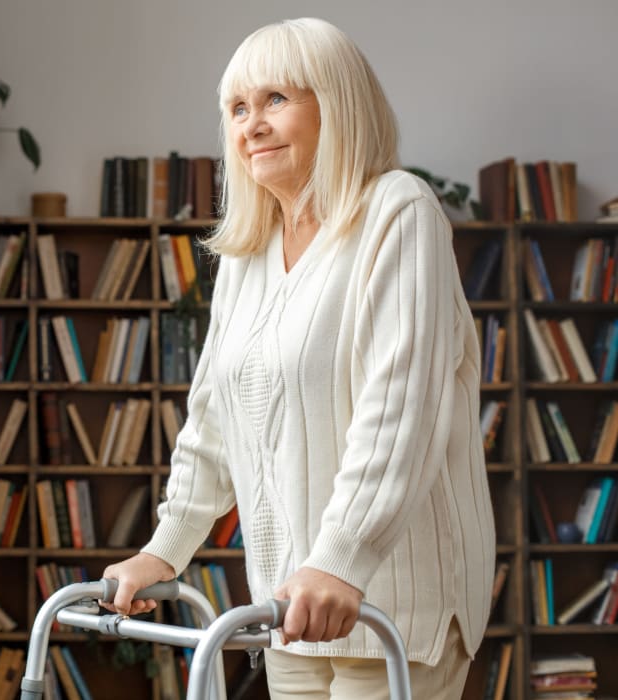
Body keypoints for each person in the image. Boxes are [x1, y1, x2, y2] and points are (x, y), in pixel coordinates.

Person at [102, 17, 496, 699]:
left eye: (277, 99)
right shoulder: (246, 257)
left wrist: (342, 560)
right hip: (288, 608)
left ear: (340, 103)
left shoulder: (397, 212)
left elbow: (399, 409)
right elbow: (213, 423)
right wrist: (164, 549)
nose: (252, 124)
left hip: (391, 603)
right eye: (237, 108)